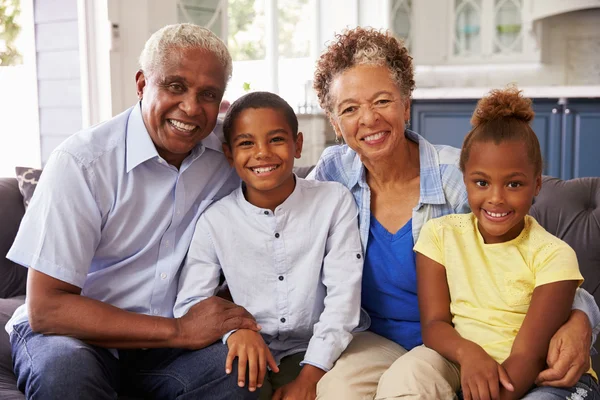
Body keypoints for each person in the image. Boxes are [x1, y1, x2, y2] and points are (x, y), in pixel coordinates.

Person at [309, 26, 600, 399]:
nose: (368, 119)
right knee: (337, 389)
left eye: (382, 101)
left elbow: (527, 254)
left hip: (452, 342)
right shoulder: (333, 174)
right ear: (335, 123)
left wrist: (581, 319)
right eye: (350, 109)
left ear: (406, 104)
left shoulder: (461, 179)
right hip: (373, 338)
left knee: (410, 383)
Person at [5, 23, 261, 400]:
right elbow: (47, 308)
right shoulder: (83, 163)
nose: (191, 108)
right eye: (175, 86)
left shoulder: (229, 156)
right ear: (142, 84)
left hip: (166, 352)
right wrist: (180, 331)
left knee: (239, 374)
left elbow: (292, 188)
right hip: (74, 338)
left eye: (207, 94)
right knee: (67, 373)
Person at [174, 91, 365, 400]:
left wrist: (311, 376)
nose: (262, 153)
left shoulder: (333, 201)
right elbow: (190, 303)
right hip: (250, 351)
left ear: (298, 145)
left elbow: (344, 297)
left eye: (276, 139)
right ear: (228, 153)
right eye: (246, 143)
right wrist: (237, 329)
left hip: (319, 349)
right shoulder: (215, 221)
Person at [414, 87, 599, 400]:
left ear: (537, 183)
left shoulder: (554, 255)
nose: (496, 198)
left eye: (514, 184)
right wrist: (469, 353)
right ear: (465, 179)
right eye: (482, 182)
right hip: (473, 372)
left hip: (546, 381)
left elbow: (527, 358)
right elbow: (434, 325)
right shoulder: (439, 235)